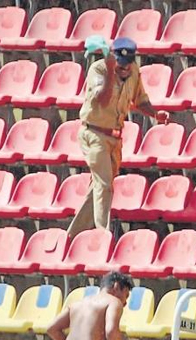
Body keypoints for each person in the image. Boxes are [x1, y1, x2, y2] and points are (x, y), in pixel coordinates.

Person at [67, 37, 170, 238]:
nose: (124, 70)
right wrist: (111, 75)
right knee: (104, 185)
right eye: (120, 66)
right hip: (94, 134)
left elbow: (139, 99)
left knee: (98, 186)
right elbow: (102, 100)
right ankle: (101, 233)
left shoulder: (134, 72)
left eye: (127, 66)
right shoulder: (99, 70)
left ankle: (73, 235)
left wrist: (155, 114)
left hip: (114, 139)